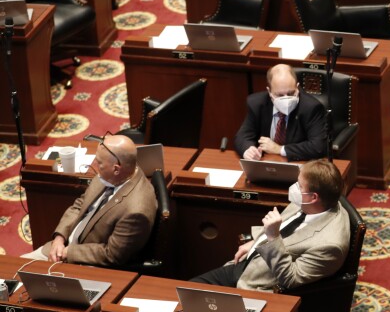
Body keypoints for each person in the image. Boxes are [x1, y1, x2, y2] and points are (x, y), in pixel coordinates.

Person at [191, 159, 350, 292]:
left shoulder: (330, 245)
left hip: (256, 287)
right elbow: (289, 225)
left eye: (299, 185)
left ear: (313, 197)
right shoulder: (316, 202)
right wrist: (257, 242)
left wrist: (272, 237)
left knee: (191, 308)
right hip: (244, 265)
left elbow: (290, 279)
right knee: (186, 292)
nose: (294, 187)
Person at [22, 135, 157, 266]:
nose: (94, 165)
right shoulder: (112, 174)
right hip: (60, 248)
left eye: (99, 163)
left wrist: (69, 252)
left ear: (116, 169)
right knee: (13, 268)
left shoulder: (136, 211)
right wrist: (59, 238)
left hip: (85, 263)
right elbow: (80, 204)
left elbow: (112, 255)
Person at [234, 63, 328, 162]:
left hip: (298, 163)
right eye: (280, 95)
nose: (286, 98)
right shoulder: (257, 104)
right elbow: (242, 136)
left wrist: (279, 149)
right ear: (269, 91)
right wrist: (248, 150)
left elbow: (318, 147)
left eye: (291, 93)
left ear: (297, 87)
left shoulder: (311, 108)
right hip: (266, 162)